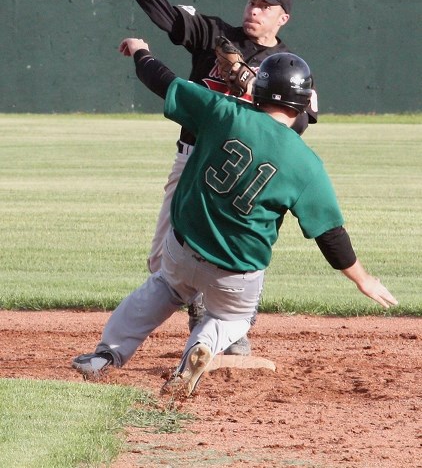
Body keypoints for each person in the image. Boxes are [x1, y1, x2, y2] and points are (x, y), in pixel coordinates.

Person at [72, 40, 398, 396]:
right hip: (236, 271)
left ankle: (106, 355)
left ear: (257, 90)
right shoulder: (307, 165)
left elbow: (162, 80)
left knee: (163, 288)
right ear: (304, 104)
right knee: (231, 318)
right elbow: (330, 235)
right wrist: (362, 280)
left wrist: (140, 52)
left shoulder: (223, 112)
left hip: (184, 248)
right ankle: (202, 348)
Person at [99, 0, 318, 355]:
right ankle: (205, 321)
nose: (254, 8)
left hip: (243, 166)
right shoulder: (215, 34)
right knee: (163, 260)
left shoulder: (288, 67)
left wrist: (247, 85)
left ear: (283, 16)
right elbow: (160, 11)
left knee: (239, 246)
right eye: (251, 0)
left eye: (265, 4)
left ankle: (232, 325)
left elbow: (299, 122)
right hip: (192, 155)